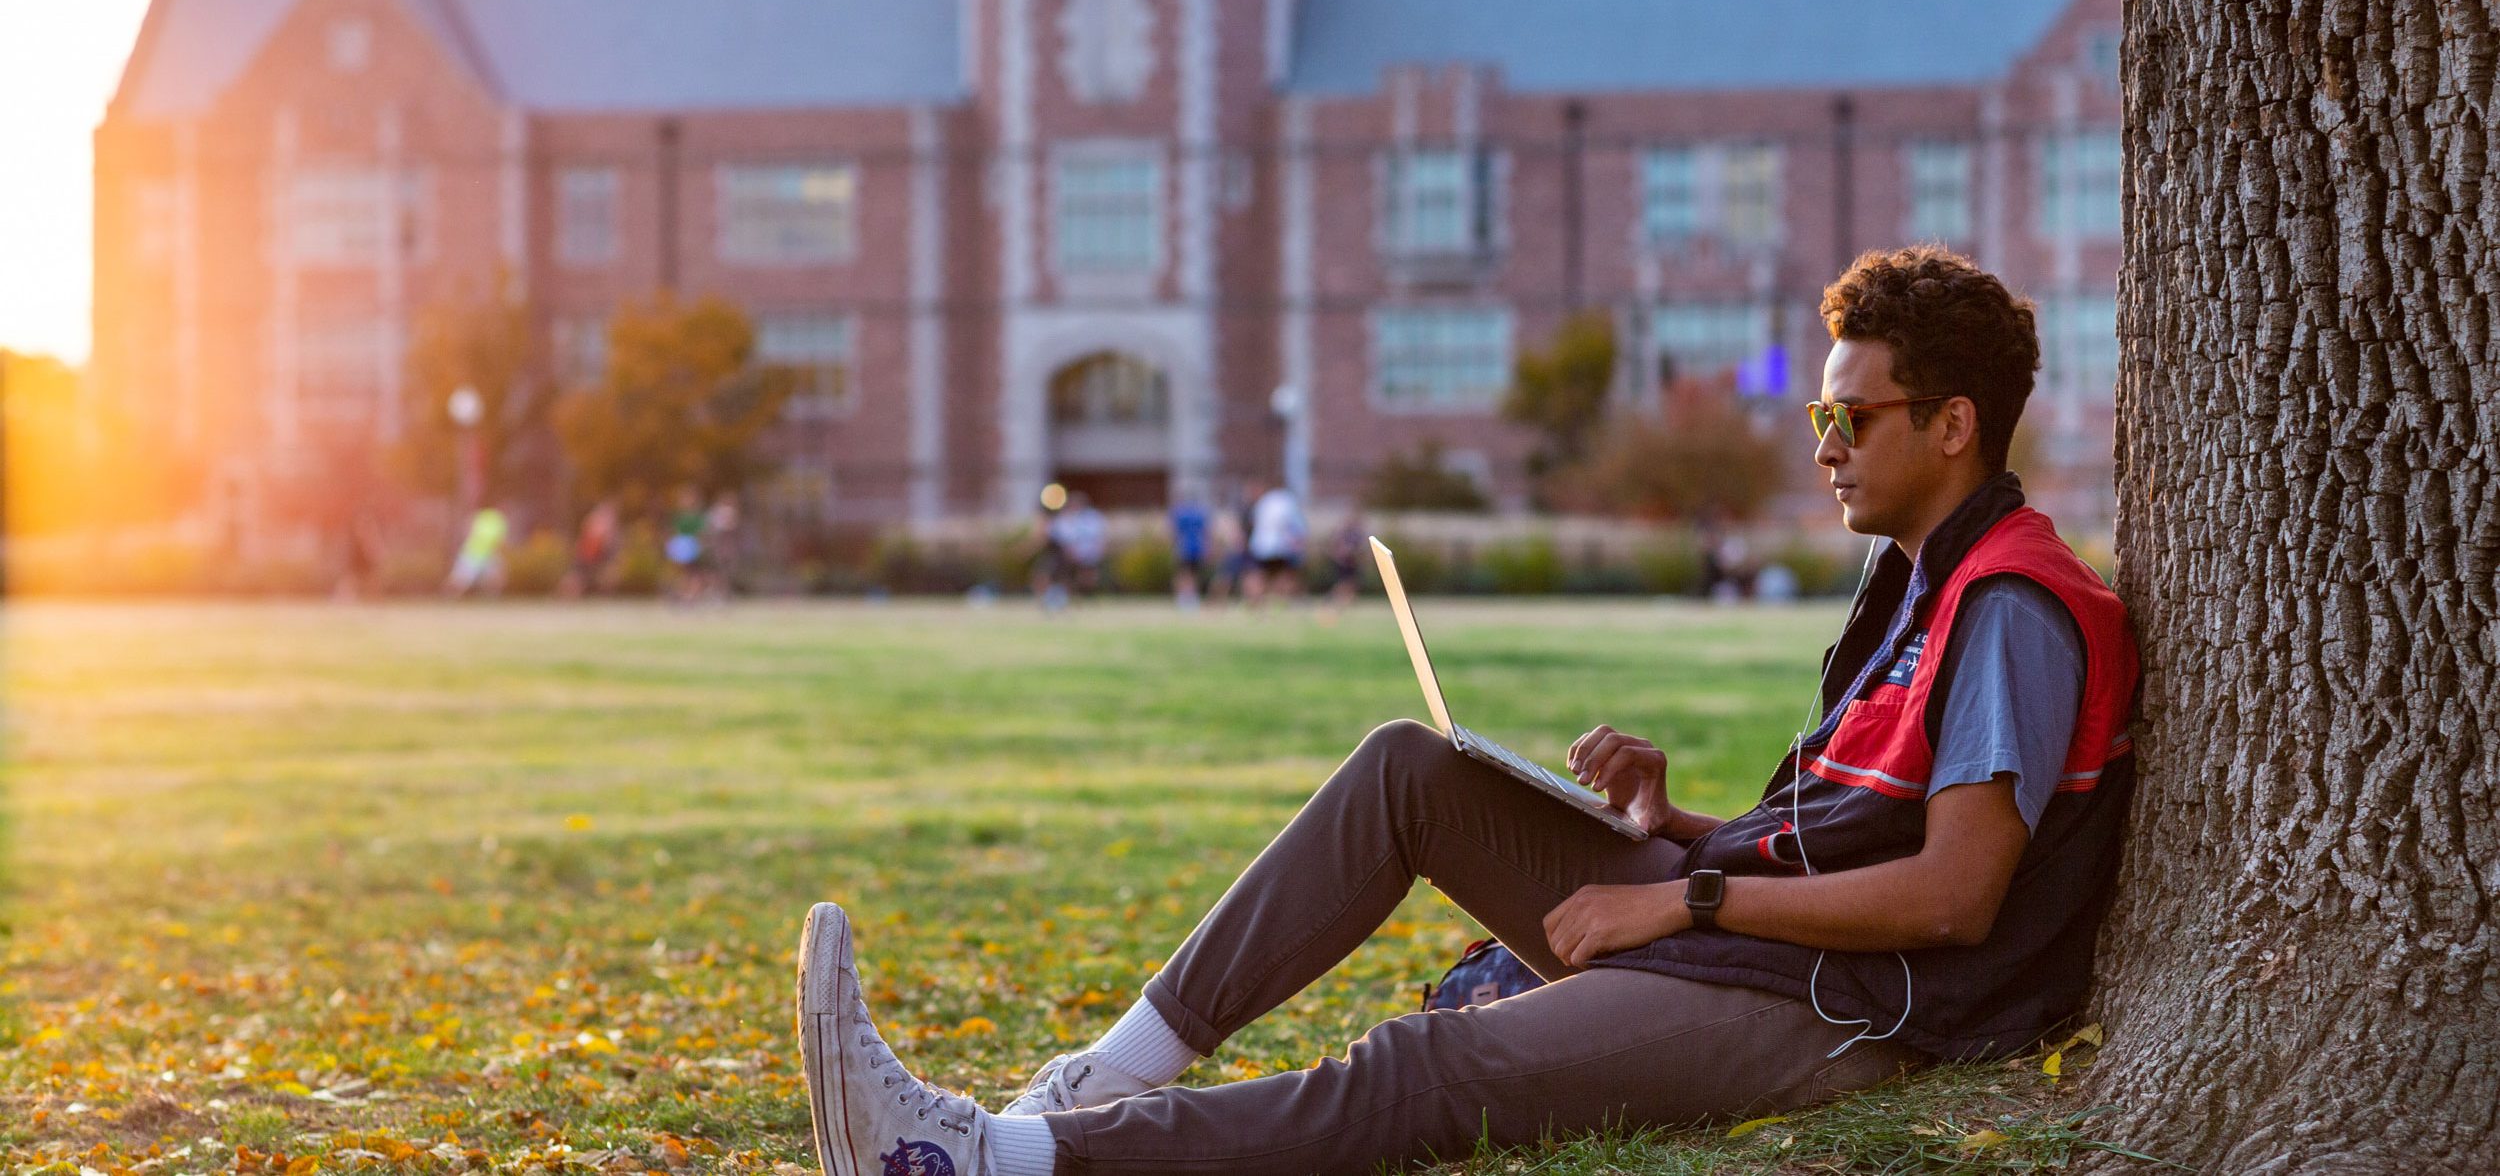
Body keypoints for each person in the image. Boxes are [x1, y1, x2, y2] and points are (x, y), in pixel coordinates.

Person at [792, 245, 2141, 1176]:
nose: (1828, 446)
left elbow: (1953, 901)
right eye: (1820, 417)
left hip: (1852, 1011)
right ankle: (1101, 1075)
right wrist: (1680, 828)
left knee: (1429, 1070)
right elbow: (1864, 832)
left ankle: (988, 1156)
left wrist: (1683, 899)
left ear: (1955, 425)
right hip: (1771, 934)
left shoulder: (2013, 607)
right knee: (1412, 771)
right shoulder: (1913, 582)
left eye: (1856, 418)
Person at [1243, 479, 1306, 608]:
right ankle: (1283, 601)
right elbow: (1296, 525)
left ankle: (1255, 601)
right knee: (1283, 574)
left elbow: (1253, 522)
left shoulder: (1264, 501)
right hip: (1281, 545)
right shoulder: (1288, 500)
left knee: (1259, 574)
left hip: (1261, 545)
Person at [442, 503, 508, 598]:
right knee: (460, 580)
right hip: (472, 554)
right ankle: (447, 597)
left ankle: (491, 598)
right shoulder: (486, 518)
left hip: (489, 555)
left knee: (496, 578)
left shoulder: (494, 519)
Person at [1168, 492, 1211, 611]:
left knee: (1185, 574)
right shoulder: (1199, 513)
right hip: (1194, 547)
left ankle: (1186, 597)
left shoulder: (1180, 513)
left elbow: (1174, 532)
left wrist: (1173, 547)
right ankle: (1187, 597)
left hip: (1186, 548)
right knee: (1190, 574)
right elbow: (1205, 532)